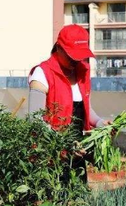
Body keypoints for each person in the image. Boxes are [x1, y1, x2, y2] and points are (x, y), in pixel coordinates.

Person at [28, 25, 110, 180]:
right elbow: (35, 120)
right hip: (50, 155)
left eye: (80, 56)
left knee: (78, 199)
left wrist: (100, 123)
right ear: (59, 48)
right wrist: (64, 143)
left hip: (77, 152)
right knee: (54, 199)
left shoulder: (83, 72)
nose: (76, 60)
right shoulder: (42, 73)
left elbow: (86, 109)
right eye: (71, 56)